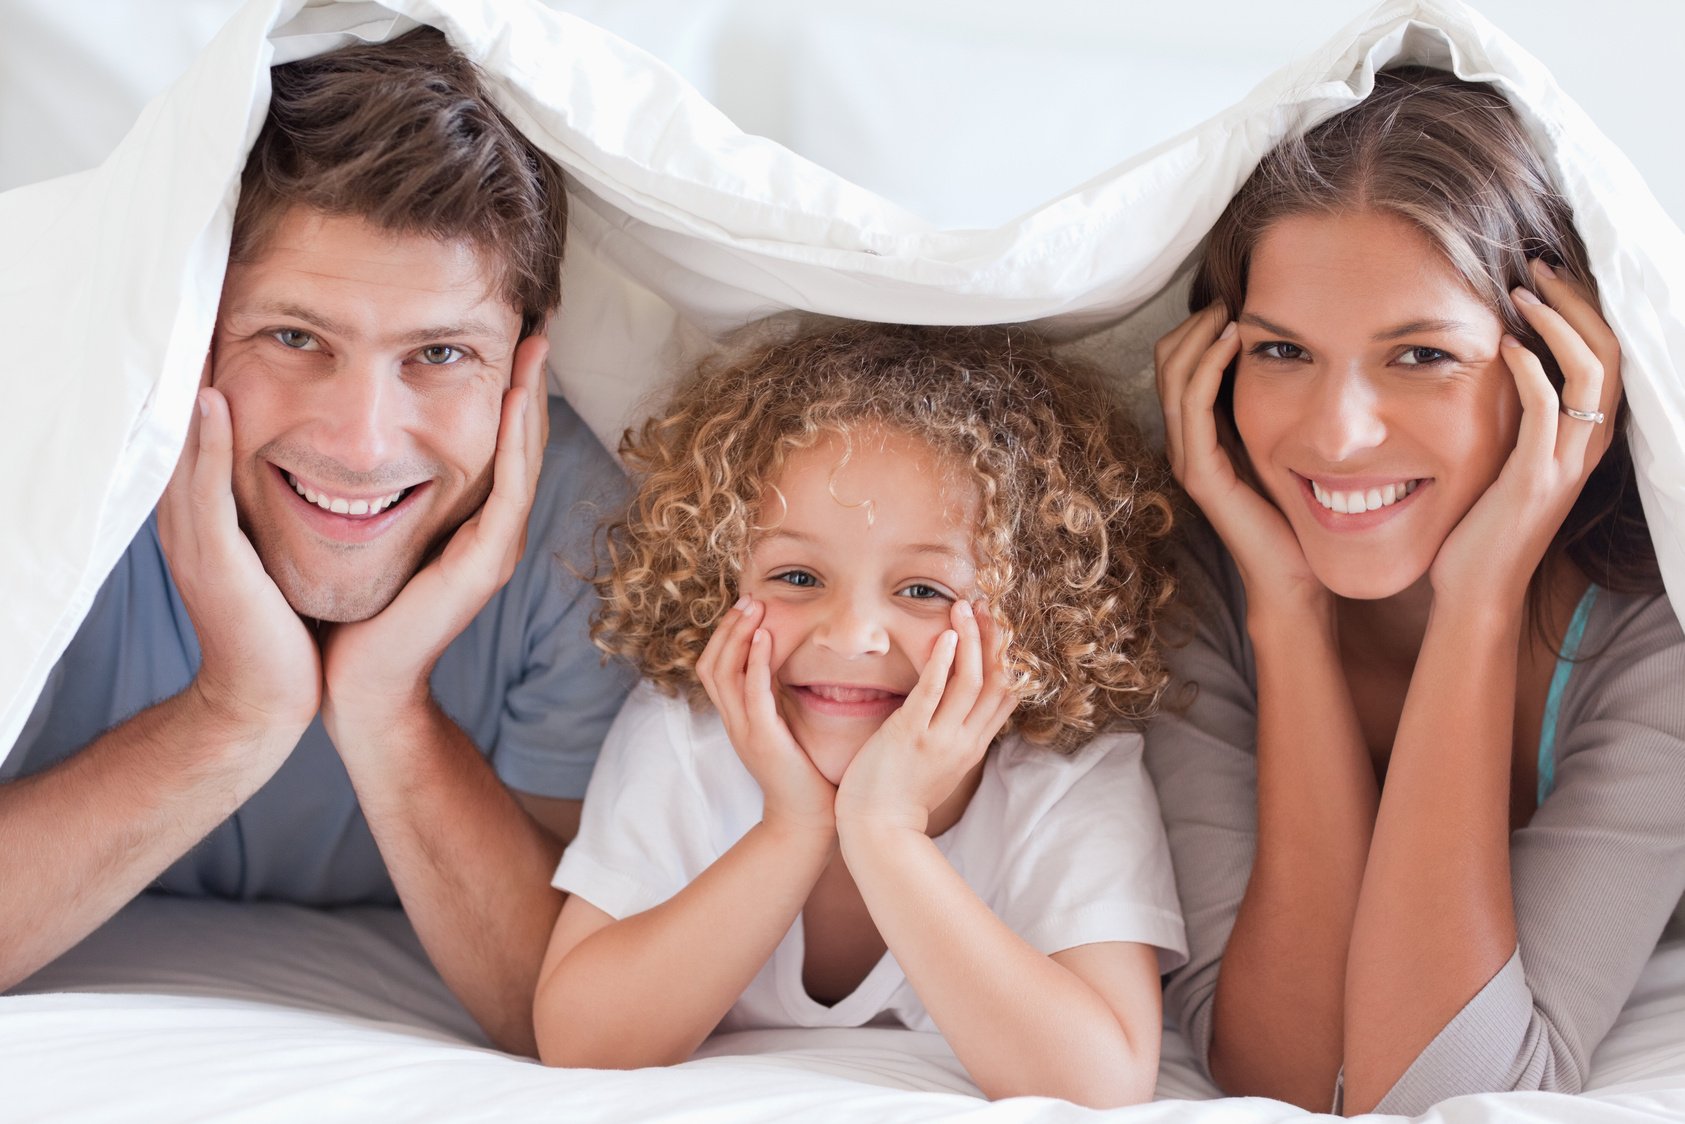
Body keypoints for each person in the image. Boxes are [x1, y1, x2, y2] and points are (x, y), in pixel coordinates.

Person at [0, 28, 631, 1055]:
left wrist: (388, 709)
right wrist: (234, 713)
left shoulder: (576, 535)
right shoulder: (55, 480)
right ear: (194, 321)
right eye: (296, 338)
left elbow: (562, 999)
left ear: (524, 362)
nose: (360, 444)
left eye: (439, 352)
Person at [1147, 65, 1685, 1115]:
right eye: (1281, 349)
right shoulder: (1198, 583)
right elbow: (1289, 1076)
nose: (1338, 433)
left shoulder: (1648, 640)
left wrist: (1479, 604)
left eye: (1420, 354)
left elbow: (1445, 1091)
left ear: (1560, 371)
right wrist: (1288, 611)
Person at [529, 321, 1187, 1106]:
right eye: (797, 575)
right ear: (717, 573)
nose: (848, 638)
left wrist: (884, 831)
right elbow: (580, 1042)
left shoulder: (1067, 771)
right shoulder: (684, 732)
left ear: (1039, 612)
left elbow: (1097, 1085)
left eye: (923, 590)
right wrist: (793, 827)